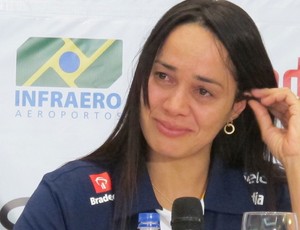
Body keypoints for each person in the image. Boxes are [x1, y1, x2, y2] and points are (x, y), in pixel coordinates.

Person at [14, 0, 300, 229]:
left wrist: (295, 161)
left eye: (203, 91)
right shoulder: (69, 197)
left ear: (236, 106)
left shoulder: (274, 200)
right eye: (163, 76)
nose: (174, 106)